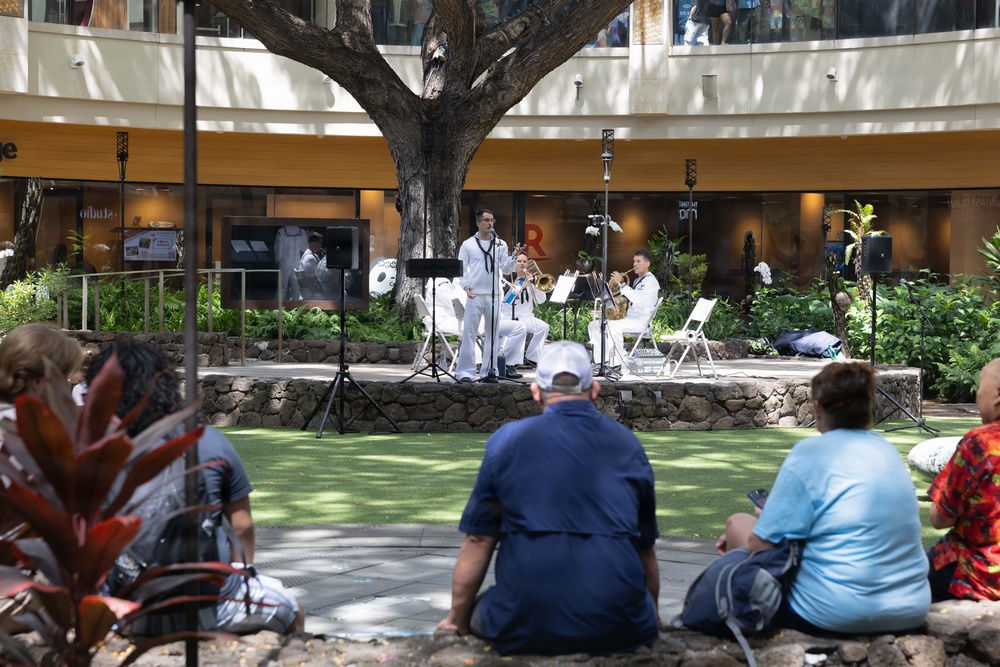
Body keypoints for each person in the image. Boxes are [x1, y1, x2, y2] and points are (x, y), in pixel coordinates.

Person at [436, 341, 661, 655]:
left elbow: (478, 540)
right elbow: (645, 548)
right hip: (622, 627)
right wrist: (651, 616)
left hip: (522, 624)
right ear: (594, 390)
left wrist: (455, 621)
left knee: (481, 606)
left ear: (536, 392)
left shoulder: (507, 441)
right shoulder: (628, 444)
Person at [88, 342, 304, 635]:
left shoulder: (91, 453)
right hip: (212, 607)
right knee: (292, 610)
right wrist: (240, 577)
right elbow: (242, 527)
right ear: (164, 386)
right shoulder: (208, 441)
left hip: (124, 613)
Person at [717, 362, 930, 634]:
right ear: (868, 409)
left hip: (832, 612)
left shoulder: (809, 452)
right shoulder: (887, 451)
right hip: (911, 609)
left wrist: (767, 522)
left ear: (817, 408)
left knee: (738, 525)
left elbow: (760, 546)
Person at [0, 322, 84, 634]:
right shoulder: (30, 434)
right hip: (17, 587)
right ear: (37, 383)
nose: (68, 387)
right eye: (63, 377)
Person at [927, 358, 1000, 601]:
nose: (978, 395)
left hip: (980, 574)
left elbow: (940, 518)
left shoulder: (980, 444)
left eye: (980, 387)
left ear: (997, 396)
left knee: (903, 575)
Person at [455, 210, 523, 383]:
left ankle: (489, 371)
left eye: (492, 220)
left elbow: (507, 269)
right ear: (478, 223)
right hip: (475, 294)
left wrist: (514, 256)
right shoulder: (468, 244)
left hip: (494, 294)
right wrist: (465, 286)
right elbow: (461, 268)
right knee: (469, 333)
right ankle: (465, 372)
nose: (490, 223)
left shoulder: (500, 244)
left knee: (492, 334)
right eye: (486, 220)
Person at [587, 250, 660, 368]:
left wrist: (621, 283)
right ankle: (602, 361)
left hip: (641, 321)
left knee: (613, 326)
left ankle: (616, 363)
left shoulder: (651, 281)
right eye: (634, 261)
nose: (634, 264)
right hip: (630, 318)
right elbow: (629, 299)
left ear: (647, 264)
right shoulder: (638, 280)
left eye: (638, 261)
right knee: (594, 325)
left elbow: (636, 298)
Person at [500, 252, 549, 370]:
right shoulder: (507, 278)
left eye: (524, 261)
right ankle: (511, 362)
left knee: (543, 327)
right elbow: (507, 300)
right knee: (519, 328)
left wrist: (535, 285)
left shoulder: (531, 279)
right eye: (519, 261)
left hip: (526, 316)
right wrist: (522, 286)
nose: (522, 264)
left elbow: (541, 300)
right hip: (507, 316)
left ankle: (532, 358)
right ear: (514, 263)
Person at [295, 230, 326, 300]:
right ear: (313, 243)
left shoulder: (312, 255)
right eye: (320, 243)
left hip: (311, 290)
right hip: (312, 293)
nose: (321, 245)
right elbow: (316, 278)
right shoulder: (310, 259)